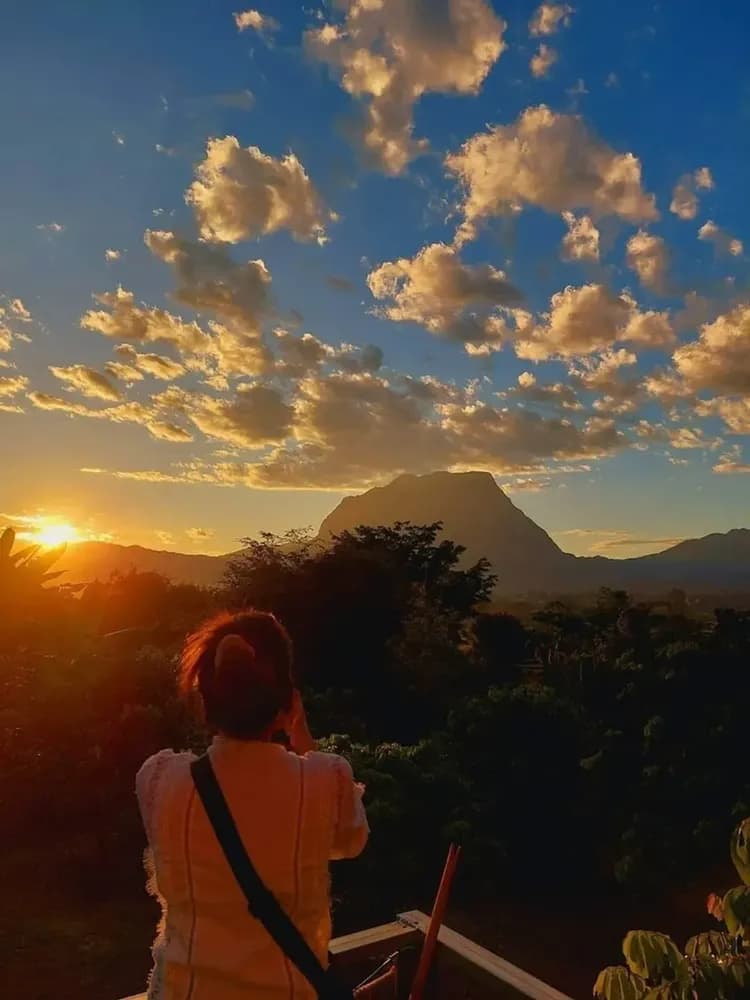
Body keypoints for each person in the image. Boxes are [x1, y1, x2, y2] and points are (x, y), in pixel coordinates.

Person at [136, 609, 369, 1000]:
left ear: (205, 697)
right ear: (285, 700)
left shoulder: (159, 780)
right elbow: (350, 841)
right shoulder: (325, 782)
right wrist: (300, 735)